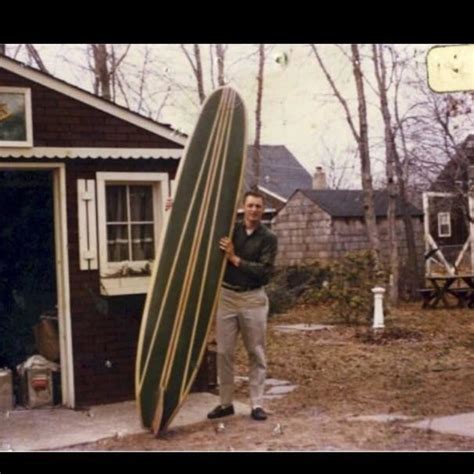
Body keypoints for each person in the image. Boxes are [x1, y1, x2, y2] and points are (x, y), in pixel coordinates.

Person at [207, 190, 278, 421]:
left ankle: (257, 404)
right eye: (250, 205)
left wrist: (234, 259)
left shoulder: (268, 237)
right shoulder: (231, 230)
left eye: (258, 206)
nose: (254, 210)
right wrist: (176, 204)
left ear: (263, 209)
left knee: (256, 352)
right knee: (224, 352)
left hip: (253, 299)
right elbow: (204, 220)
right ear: (243, 207)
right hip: (227, 296)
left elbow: (265, 272)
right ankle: (225, 403)